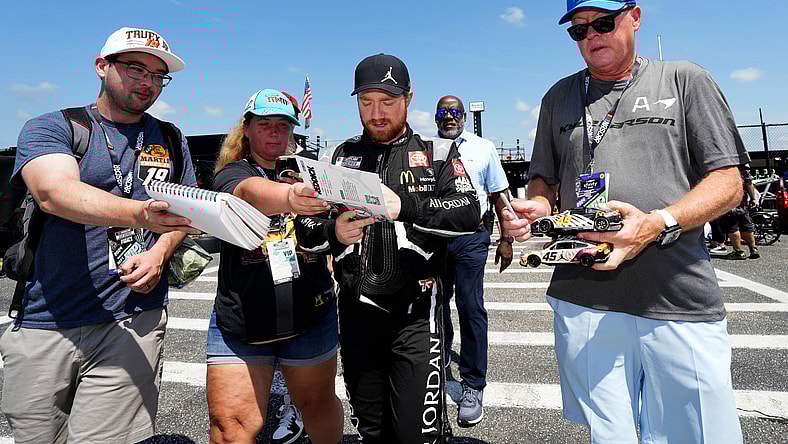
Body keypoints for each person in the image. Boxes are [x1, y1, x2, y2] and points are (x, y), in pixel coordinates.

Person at [502, 1, 747, 443]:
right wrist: (537, 208)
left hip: (676, 294)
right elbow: (544, 180)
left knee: (698, 433)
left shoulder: (684, 79)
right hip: (583, 295)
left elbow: (729, 182)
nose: (591, 36)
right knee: (609, 435)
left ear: (634, 17)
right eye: (579, 31)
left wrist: (658, 222)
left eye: (603, 23)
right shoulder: (557, 97)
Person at [0, 27, 198, 443]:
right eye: (135, 68)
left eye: (157, 75)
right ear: (101, 66)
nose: (147, 82)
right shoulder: (53, 127)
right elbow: (54, 193)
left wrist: (160, 253)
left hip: (132, 320)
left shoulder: (171, 139)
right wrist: (141, 214)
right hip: (45, 319)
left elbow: (185, 213)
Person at [296, 53, 480, 443]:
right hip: (356, 316)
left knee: (416, 433)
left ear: (409, 99)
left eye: (388, 101)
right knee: (371, 430)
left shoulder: (438, 152)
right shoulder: (340, 158)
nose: (377, 113)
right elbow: (305, 228)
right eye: (367, 102)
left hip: (416, 317)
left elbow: (468, 212)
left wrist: (404, 206)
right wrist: (334, 232)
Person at [206, 88, 343, 444]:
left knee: (317, 406)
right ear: (246, 129)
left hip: (308, 312)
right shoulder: (231, 172)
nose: (274, 133)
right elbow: (247, 192)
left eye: (283, 126)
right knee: (230, 425)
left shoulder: (313, 170)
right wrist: (289, 197)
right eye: (264, 124)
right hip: (244, 317)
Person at [434, 95, 513, 427]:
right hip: (436, 238)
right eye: (443, 112)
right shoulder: (424, 150)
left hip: (471, 236)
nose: (449, 117)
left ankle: (473, 384)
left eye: (455, 112)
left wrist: (506, 239)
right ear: (436, 117)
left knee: (470, 307)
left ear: (464, 116)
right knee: (435, 306)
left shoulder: (484, 148)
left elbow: (499, 196)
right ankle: (436, 363)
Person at [718, 165, 760, 259]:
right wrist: (753, 198)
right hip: (742, 201)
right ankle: (753, 249)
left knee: (732, 227)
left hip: (727, 202)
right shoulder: (742, 167)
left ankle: (738, 251)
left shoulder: (720, 167)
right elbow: (749, 183)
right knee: (746, 225)